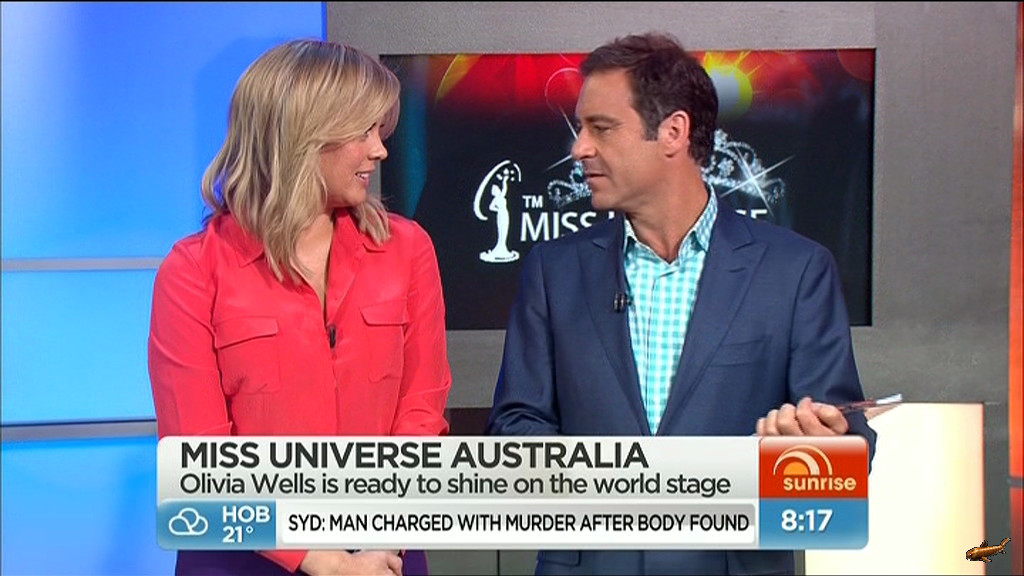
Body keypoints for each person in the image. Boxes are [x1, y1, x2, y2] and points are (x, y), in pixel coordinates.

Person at [486, 32, 877, 575]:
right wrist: (616, 487)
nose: (579, 148)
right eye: (581, 128)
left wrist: (823, 443)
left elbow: (847, 444)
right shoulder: (554, 272)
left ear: (673, 132)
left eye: (601, 127)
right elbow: (515, 427)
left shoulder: (796, 272)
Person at [148, 39, 452, 576]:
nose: (380, 150)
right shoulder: (193, 271)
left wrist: (379, 539)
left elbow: (421, 411)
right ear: (304, 136)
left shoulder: (407, 250)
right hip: (242, 560)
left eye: (379, 131)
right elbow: (197, 459)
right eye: (362, 132)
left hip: (383, 551)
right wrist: (319, 560)